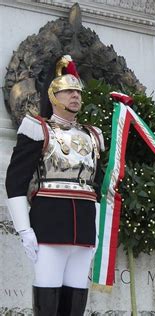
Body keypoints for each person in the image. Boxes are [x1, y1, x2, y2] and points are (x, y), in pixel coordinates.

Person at [5, 55, 104, 315]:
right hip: (49, 224)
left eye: (78, 91)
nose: (75, 96)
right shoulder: (38, 129)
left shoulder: (92, 136)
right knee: (47, 296)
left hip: (83, 228)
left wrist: (97, 232)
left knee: (76, 299)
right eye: (67, 91)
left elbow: (97, 190)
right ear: (53, 96)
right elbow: (15, 182)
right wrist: (24, 229)